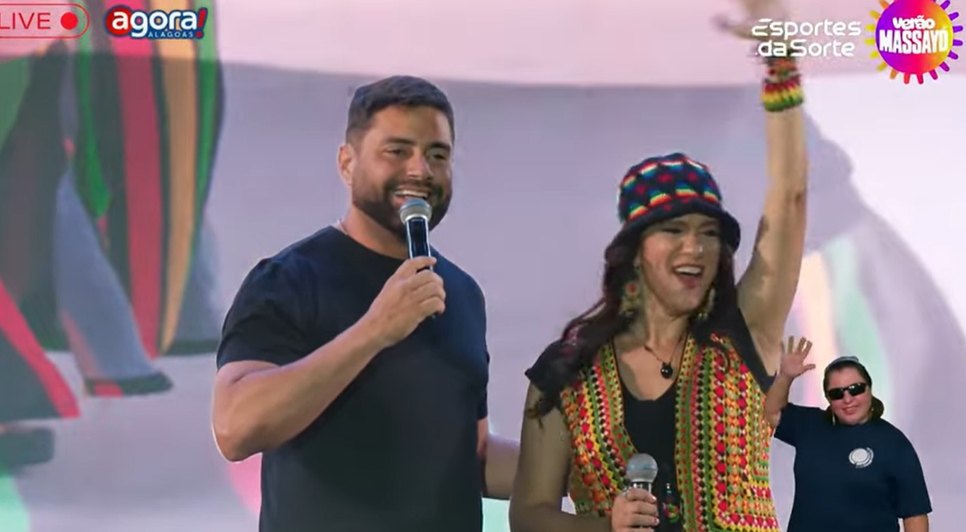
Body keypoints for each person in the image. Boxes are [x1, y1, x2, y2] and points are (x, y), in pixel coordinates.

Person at [508, 14, 807, 532]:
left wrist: (779, 57)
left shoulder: (744, 334)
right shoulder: (566, 372)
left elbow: (790, 199)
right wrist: (605, 527)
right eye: (673, 230)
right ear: (634, 251)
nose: (695, 247)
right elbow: (529, 516)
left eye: (708, 232)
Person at [211, 75, 517, 531]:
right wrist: (374, 331)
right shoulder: (289, 280)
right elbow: (235, 428)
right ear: (347, 163)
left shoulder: (461, 292)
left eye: (438, 154)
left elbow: (469, 455)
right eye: (397, 151)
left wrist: (581, 467)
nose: (420, 170)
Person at [765, 337, 932, 532]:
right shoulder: (810, 425)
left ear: (869, 389)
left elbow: (915, 515)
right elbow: (772, 413)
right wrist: (785, 377)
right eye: (837, 393)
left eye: (855, 389)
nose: (847, 399)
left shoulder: (894, 443)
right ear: (828, 398)